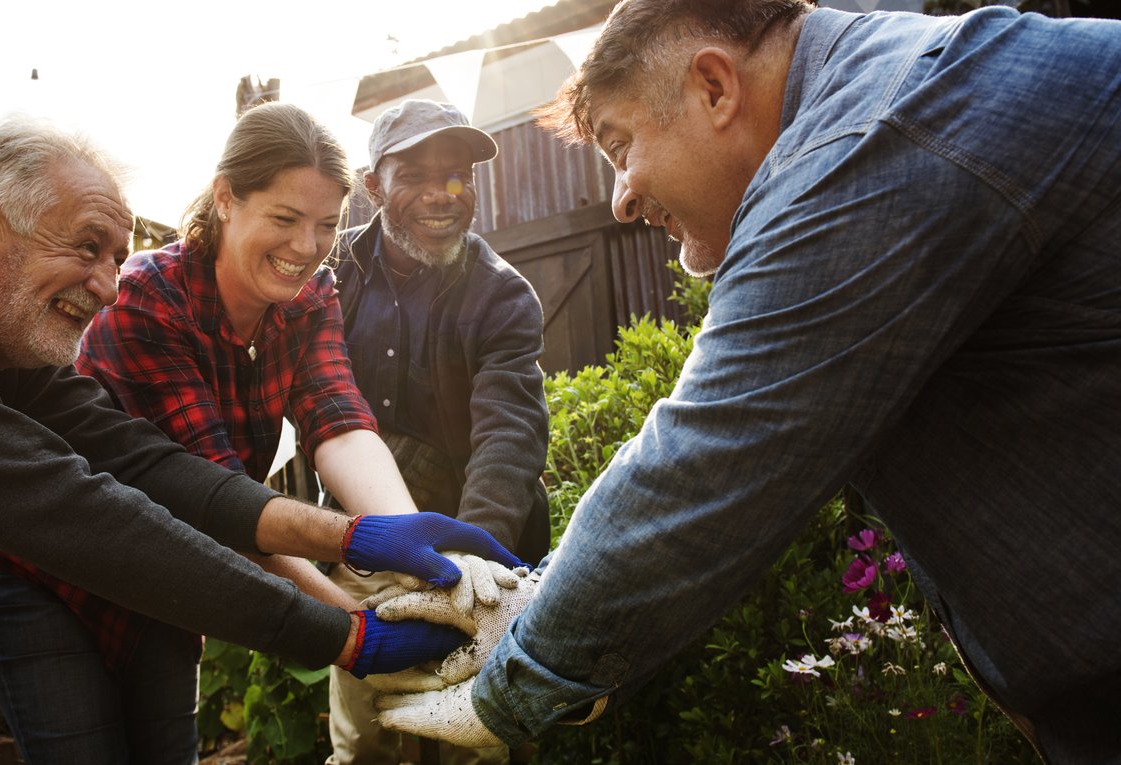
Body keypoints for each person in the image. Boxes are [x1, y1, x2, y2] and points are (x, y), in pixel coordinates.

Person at [369, 2, 1121, 763]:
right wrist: (536, 602)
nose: (621, 197)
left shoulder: (863, 141)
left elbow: (705, 454)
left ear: (715, 88)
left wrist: (510, 690)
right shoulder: (874, 104)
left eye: (621, 146)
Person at [0, 114, 524, 765]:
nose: (104, 284)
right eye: (85, 247)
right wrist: (345, 634)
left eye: (114, 257)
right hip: (57, 570)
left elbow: (154, 466)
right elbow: (66, 505)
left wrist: (363, 534)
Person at [0, 101, 436, 763]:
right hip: (42, 571)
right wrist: (361, 634)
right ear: (227, 198)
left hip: (165, 566)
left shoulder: (311, 298)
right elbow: (214, 500)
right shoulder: (147, 298)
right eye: (285, 219)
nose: (306, 248)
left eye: (326, 226)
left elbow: (339, 421)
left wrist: (419, 553)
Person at [327, 99, 551, 765]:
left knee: (470, 737)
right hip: (363, 543)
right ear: (373, 185)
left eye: (456, 176)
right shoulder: (331, 274)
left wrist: (471, 558)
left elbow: (509, 432)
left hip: (469, 545)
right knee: (366, 742)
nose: (440, 194)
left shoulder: (502, 296)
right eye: (415, 175)